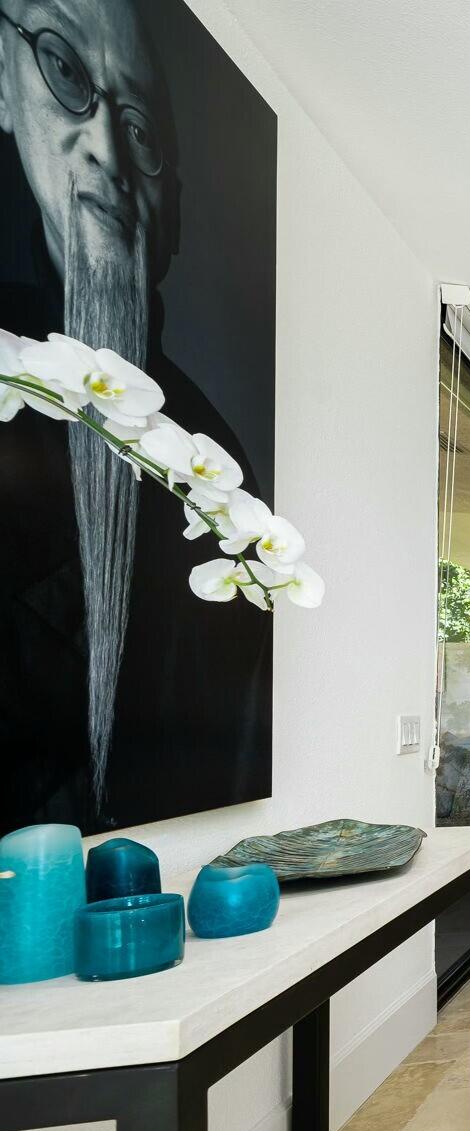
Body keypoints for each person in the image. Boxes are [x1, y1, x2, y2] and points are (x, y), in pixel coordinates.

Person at [0, 0, 269, 831]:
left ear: (174, 212)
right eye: (67, 72)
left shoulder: (214, 461)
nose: (111, 151)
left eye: (143, 133)